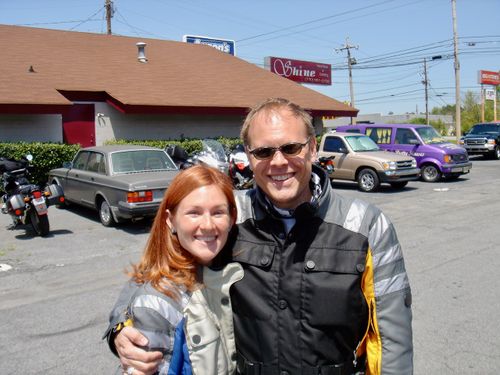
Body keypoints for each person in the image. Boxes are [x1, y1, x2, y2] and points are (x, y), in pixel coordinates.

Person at [108, 98, 414, 375]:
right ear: (249, 157)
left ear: (312, 147)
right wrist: (122, 324)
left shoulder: (367, 225)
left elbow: (391, 337)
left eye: (291, 148)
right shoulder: (230, 217)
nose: (278, 162)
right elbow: (160, 270)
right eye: (264, 152)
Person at [104, 165, 242, 375]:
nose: (207, 224)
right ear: (170, 220)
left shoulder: (231, 266)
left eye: (218, 213)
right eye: (194, 213)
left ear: (232, 218)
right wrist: (120, 326)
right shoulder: (158, 301)